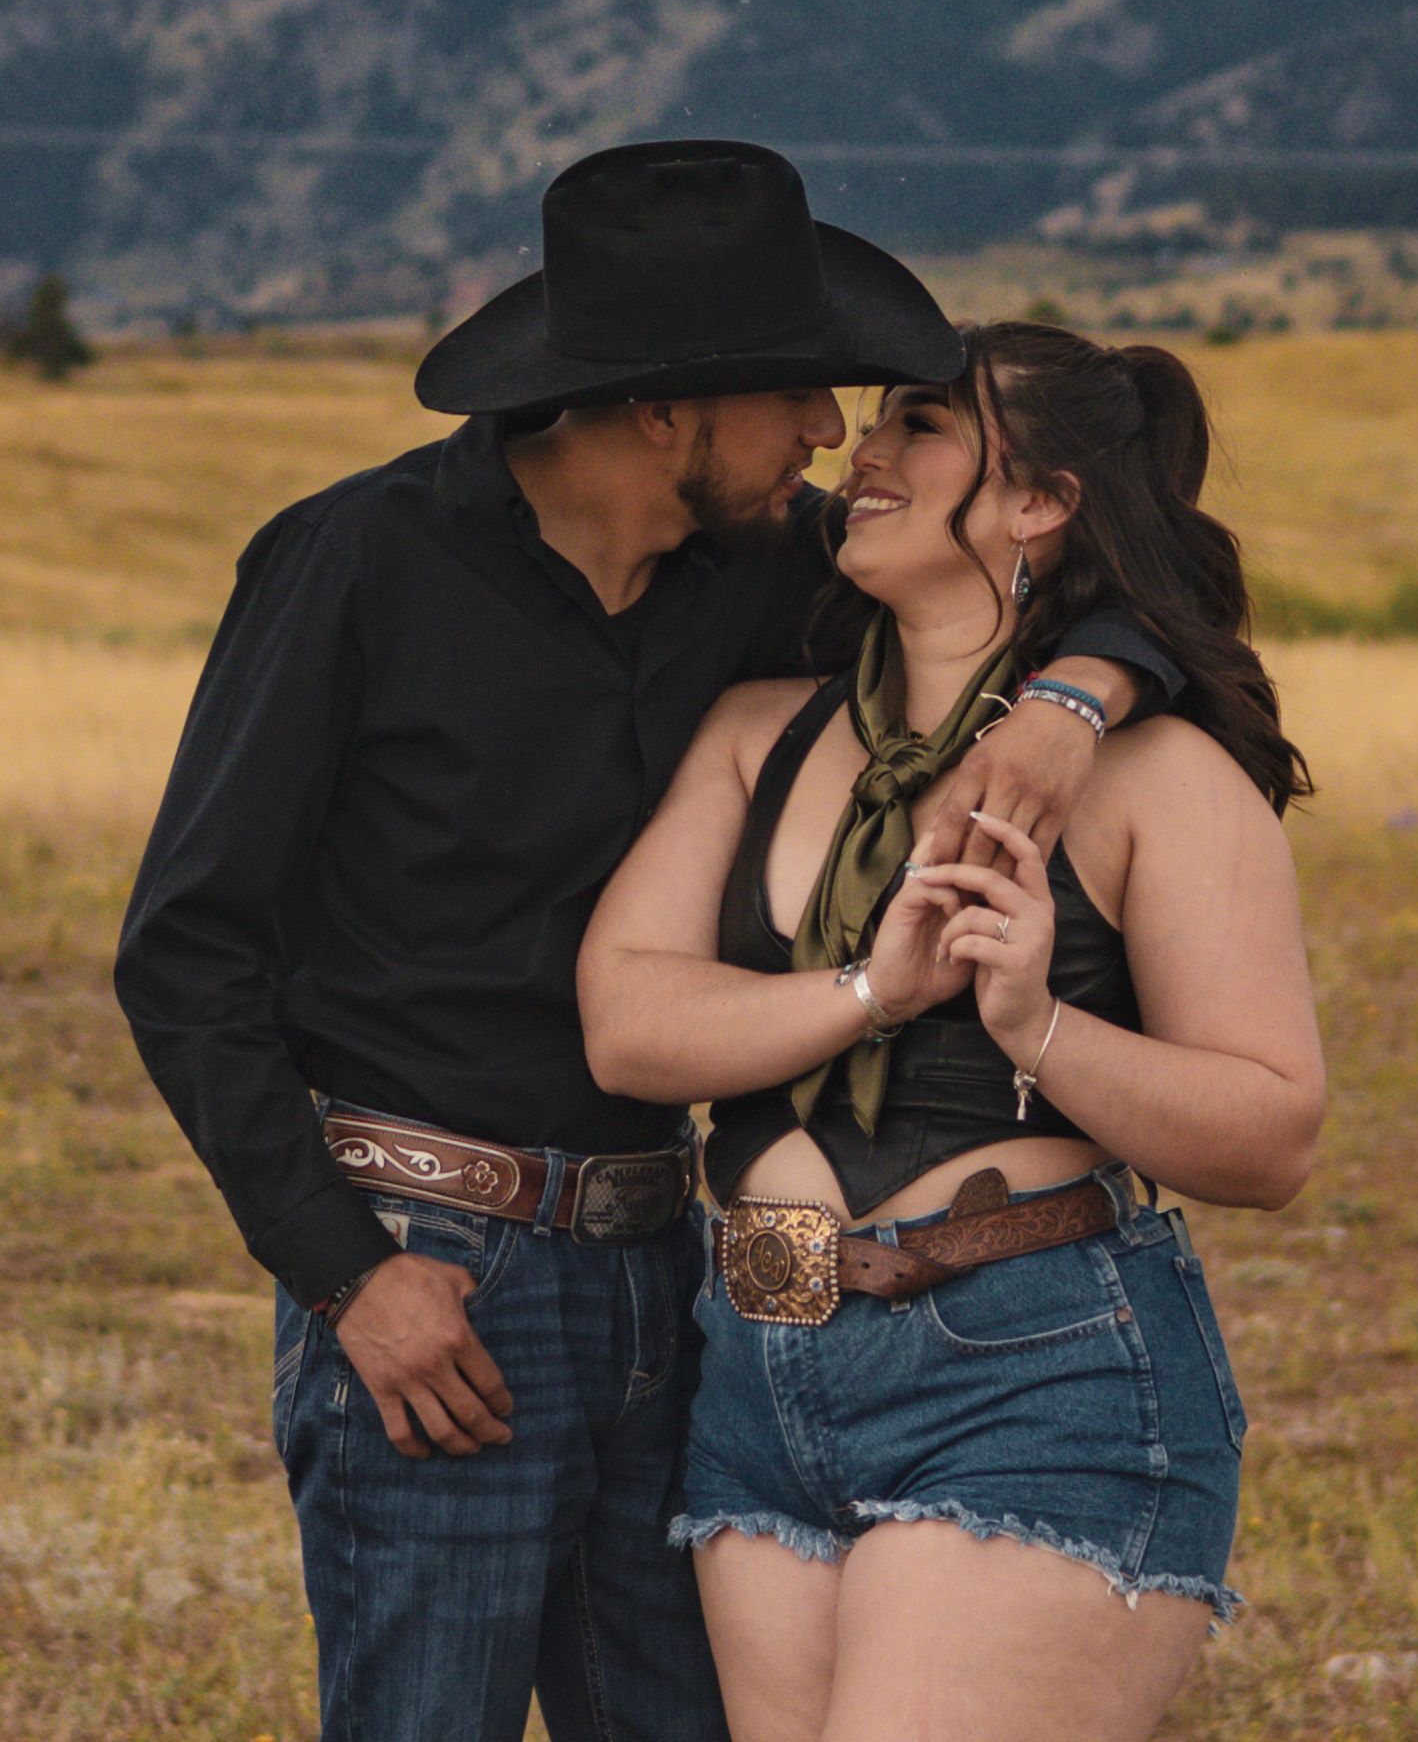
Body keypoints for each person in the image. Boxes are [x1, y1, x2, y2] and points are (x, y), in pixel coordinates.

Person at [114, 146, 1177, 1742]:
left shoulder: (769, 571)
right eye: (797, 400)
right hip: (432, 1268)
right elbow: (183, 953)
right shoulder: (355, 564)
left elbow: (1072, 576)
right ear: (666, 410)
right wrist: (347, 1278)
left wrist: (1075, 699)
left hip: (675, 1279)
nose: (829, 438)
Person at [579, 321, 1326, 1742]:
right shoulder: (759, 734)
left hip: (1032, 1373)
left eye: (920, 425)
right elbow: (627, 1022)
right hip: (759, 1352)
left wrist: (1035, 1024)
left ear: (1040, 497)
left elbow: (1273, 1132)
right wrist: (876, 993)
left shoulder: (1160, 778)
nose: (864, 451)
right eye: (873, 420)